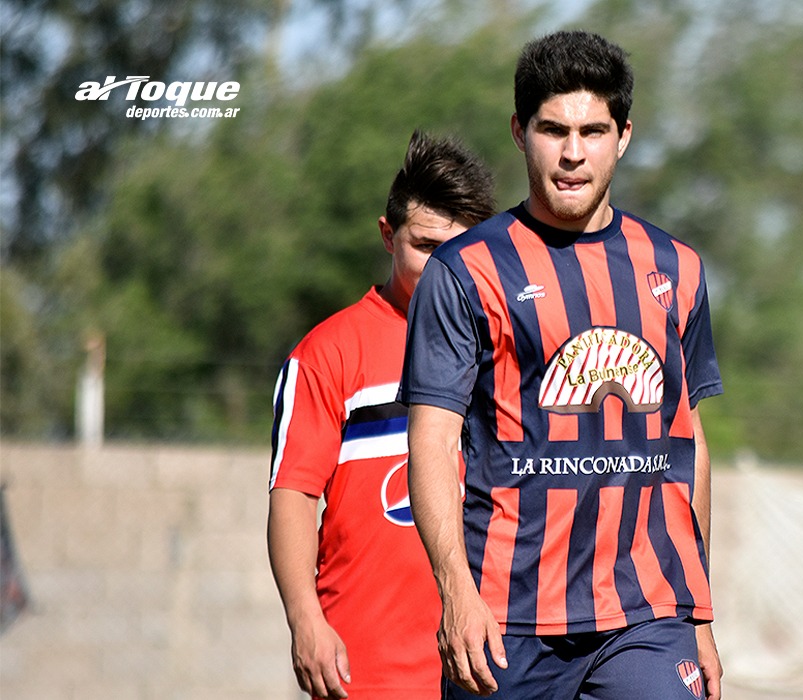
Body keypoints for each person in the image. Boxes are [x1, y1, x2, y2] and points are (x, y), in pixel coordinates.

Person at [401, 30, 724, 700]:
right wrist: (457, 593)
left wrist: (698, 616)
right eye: (553, 129)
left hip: (646, 616)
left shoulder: (677, 270)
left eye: (593, 131)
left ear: (624, 135)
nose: (573, 153)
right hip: (507, 621)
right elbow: (431, 441)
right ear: (520, 132)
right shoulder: (465, 272)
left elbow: (688, 445)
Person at [267, 131, 495, 700]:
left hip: (496, 663)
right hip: (368, 669)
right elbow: (293, 495)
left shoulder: (510, 346)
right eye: (426, 246)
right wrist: (305, 621)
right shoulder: (328, 352)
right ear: (388, 236)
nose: (446, 267)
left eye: (462, 248)